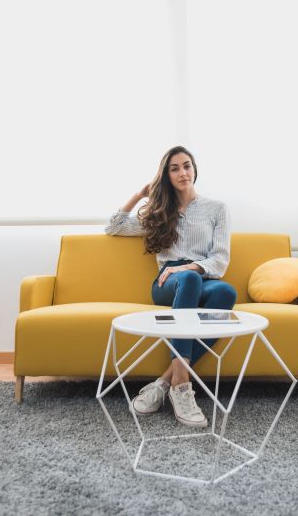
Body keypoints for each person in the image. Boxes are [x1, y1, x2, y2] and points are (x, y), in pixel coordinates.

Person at [105, 145, 236, 428]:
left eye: (186, 165)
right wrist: (141, 194)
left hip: (201, 277)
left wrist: (188, 266)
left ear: (194, 169)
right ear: (166, 175)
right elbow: (113, 227)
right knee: (187, 279)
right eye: (174, 168)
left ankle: (168, 383)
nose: (182, 172)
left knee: (226, 291)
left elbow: (220, 259)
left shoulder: (217, 209)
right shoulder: (158, 211)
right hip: (168, 283)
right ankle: (183, 390)